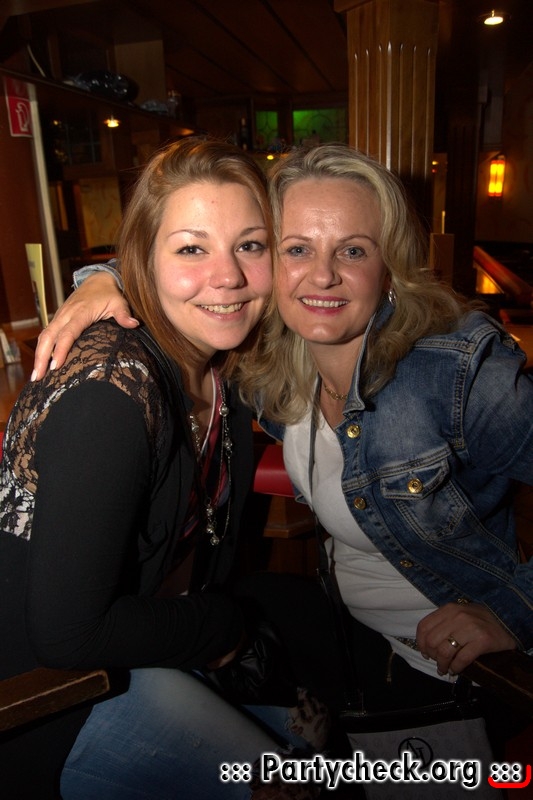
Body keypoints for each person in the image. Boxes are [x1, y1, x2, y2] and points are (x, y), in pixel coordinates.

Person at [33, 144, 533, 757]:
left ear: (391, 265)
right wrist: (102, 280)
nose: (322, 276)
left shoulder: (451, 374)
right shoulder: (270, 362)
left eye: (353, 250)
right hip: (345, 629)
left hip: (445, 665)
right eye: (296, 249)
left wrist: (512, 609)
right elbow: (195, 260)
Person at [0, 137, 336, 800]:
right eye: (190, 249)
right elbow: (68, 635)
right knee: (294, 785)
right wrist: (221, 627)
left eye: (249, 245)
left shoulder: (221, 367)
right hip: (46, 697)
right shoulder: (110, 397)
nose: (228, 276)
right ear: (142, 262)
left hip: (142, 633)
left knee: (321, 739)